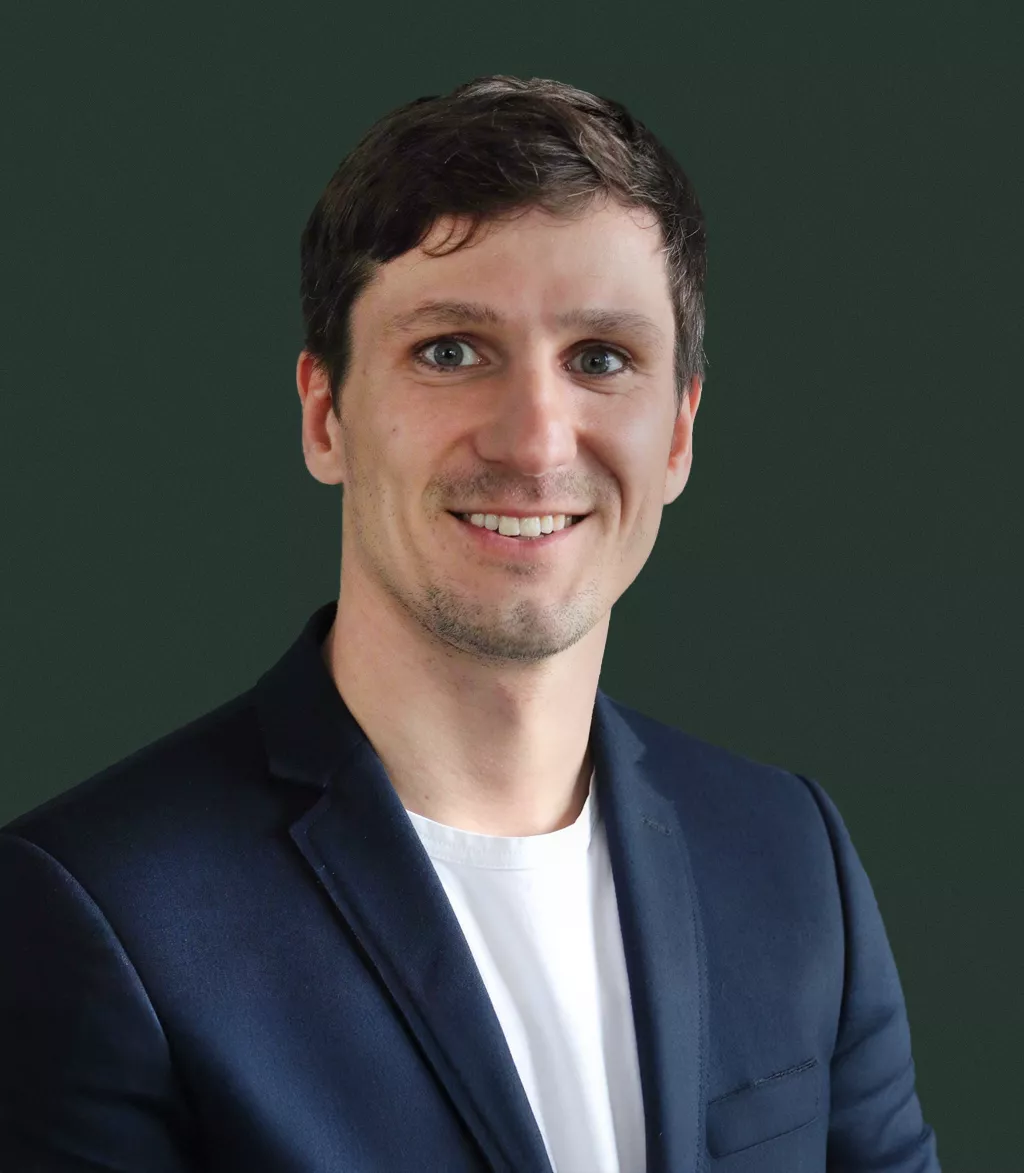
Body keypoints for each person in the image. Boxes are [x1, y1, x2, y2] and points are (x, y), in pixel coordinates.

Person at [0, 74, 939, 1172]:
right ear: (324, 417)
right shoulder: (95, 912)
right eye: (451, 350)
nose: (536, 443)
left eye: (601, 359)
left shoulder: (791, 858)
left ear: (677, 436)